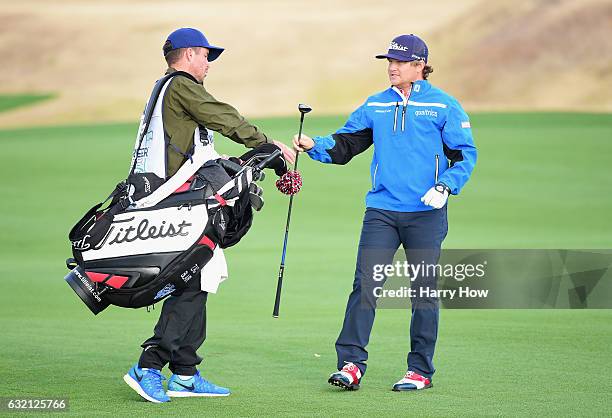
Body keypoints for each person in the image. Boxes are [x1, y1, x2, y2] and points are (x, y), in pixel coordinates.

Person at [293, 34, 477, 391]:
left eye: (400, 61)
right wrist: (316, 145)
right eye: (389, 61)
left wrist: (446, 186)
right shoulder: (376, 104)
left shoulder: (444, 106)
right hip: (382, 210)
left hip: (426, 213)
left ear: (420, 66)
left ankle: (420, 370)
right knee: (365, 285)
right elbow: (348, 142)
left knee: (423, 291)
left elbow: (464, 154)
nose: (391, 67)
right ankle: (351, 364)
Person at [123, 27, 295, 403]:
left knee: (198, 278)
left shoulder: (165, 88)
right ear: (188, 55)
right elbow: (223, 117)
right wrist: (267, 143)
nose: (207, 65)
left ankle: (184, 373)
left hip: (171, 196)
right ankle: (149, 366)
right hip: (172, 199)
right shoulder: (182, 85)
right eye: (205, 56)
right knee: (190, 277)